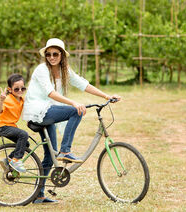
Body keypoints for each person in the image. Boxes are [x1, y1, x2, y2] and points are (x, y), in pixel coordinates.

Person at [22, 38, 121, 204]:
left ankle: (39, 195)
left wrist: (106, 96)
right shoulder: (41, 69)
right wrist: (73, 102)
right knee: (76, 111)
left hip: (48, 110)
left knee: (49, 155)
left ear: (62, 55)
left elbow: (83, 84)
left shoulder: (65, 70)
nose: (51, 57)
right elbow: (50, 93)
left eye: (55, 54)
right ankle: (65, 150)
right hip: (39, 110)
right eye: (48, 54)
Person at [0, 73, 28, 173]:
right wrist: (1, 100)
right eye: (16, 89)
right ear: (10, 89)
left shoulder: (22, 100)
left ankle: (8, 160)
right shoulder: (8, 99)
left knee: (25, 144)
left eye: (22, 89)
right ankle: (16, 160)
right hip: (3, 126)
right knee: (23, 134)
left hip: (11, 126)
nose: (20, 91)